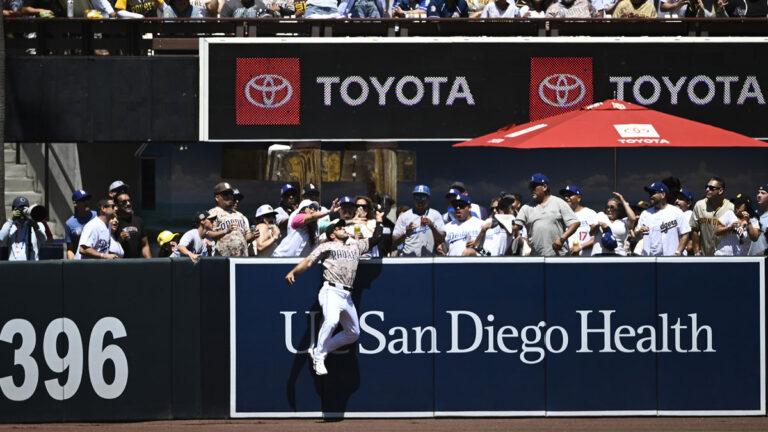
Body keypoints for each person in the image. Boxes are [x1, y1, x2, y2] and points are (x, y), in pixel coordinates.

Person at [285, 213, 384, 376]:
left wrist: (379, 220)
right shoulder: (327, 246)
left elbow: (377, 238)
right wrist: (294, 271)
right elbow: (309, 261)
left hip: (347, 295)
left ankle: (319, 349)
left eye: (343, 226)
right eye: (339, 228)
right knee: (331, 321)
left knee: (353, 333)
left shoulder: (356, 246)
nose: (343, 229)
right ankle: (319, 357)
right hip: (331, 290)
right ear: (332, 234)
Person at [513, 173, 580, 257]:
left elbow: (575, 223)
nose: (531, 189)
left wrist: (562, 239)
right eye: (530, 187)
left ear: (544, 187)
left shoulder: (559, 203)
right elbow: (516, 227)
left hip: (559, 256)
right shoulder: (526, 208)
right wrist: (505, 220)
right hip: (537, 256)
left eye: (534, 186)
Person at [636, 182, 691, 256]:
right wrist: (639, 232)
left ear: (663, 195)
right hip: (649, 259)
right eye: (650, 193)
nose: (650, 196)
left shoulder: (676, 212)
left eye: (653, 193)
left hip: (670, 259)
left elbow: (685, 234)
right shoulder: (645, 214)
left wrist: (677, 253)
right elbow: (637, 237)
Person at [273, 199, 340, 257]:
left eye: (315, 208)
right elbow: (312, 216)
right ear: (302, 210)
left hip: (297, 262)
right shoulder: (297, 217)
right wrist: (329, 211)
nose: (313, 209)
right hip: (281, 258)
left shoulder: (315, 227)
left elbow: (316, 246)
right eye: (310, 207)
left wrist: (328, 238)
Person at [392, 185, 446, 257]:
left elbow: (442, 238)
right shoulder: (404, 216)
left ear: (428, 199)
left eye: (423, 197)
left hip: (428, 260)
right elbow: (395, 242)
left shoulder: (435, 214)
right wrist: (406, 233)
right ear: (413, 198)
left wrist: (432, 227)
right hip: (408, 260)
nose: (420, 200)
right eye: (417, 197)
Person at [208, 182, 256, 257]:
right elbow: (209, 234)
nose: (229, 196)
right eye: (226, 194)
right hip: (223, 258)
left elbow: (246, 237)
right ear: (217, 197)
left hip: (241, 258)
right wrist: (225, 231)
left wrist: (253, 235)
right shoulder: (212, 213)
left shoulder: (240, 215)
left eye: (231, 194)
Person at [690, 176, 734, 256]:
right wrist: (696, 252)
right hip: (705, 256)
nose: (707, 190)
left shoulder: (731, 207)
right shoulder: (699, 205)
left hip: (725, 256)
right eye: (706, 187)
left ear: (720, 191)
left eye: (711, 188)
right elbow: (695, 230)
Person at [0, 196, 48, 261]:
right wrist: (11, 219)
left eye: (24, 208)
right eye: (19, 209)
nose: (22, 212)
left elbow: (44, 240)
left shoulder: (37, 224)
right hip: (13, 267)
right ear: (13, 210)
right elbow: (1, 238)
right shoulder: (10, 225)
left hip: (32, 266)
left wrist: (35, 227)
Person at [591, 192, 637, 256]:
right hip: (600, 254)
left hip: (618, 255)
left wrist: (623, 200)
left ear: (618, 209)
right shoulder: (601, 215)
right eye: (607, 207)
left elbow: (633, 218)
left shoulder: (623, 222)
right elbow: (591, 232)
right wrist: (599, 225)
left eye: (612, 207)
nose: (609, 209)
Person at [559, 185, 598, 256]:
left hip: (586, 259)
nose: (566, 198)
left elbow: (597, 238)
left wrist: (580, 247)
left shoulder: (590, 213)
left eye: (569, 195)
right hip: (566, 259)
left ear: (579, 198)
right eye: (565, 196)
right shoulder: (560, 215)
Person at [115, 192, 152, 258]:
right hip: (120, 264)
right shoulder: (114, 222)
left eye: (129, 201)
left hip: (137, 264)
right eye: (124, 202)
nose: (128, 204)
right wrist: (120, 239)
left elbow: (145, 245)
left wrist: (151, 262)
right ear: (117, 206)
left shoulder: (139, 221)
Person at [65, 189, 97, 260]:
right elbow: (70, 249)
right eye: (83, 200)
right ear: (75, 203)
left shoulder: (97, 216)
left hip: (98, 259)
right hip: (80, 262)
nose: (86, 202)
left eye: (87, 199)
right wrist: (72, 264)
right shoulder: (69, 223)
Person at [749, 184, 768, 256]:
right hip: (751, 260)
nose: (759, 195)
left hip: (765, 260)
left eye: (763, 193)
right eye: (758, 192)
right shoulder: (752, 216)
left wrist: (765, 252)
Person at [675, 188, 695, 255]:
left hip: (683, 254)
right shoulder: (678, 214)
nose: (677, 201)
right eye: (676, 198)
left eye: (680, 199)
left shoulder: (688, 214)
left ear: (688, 203)